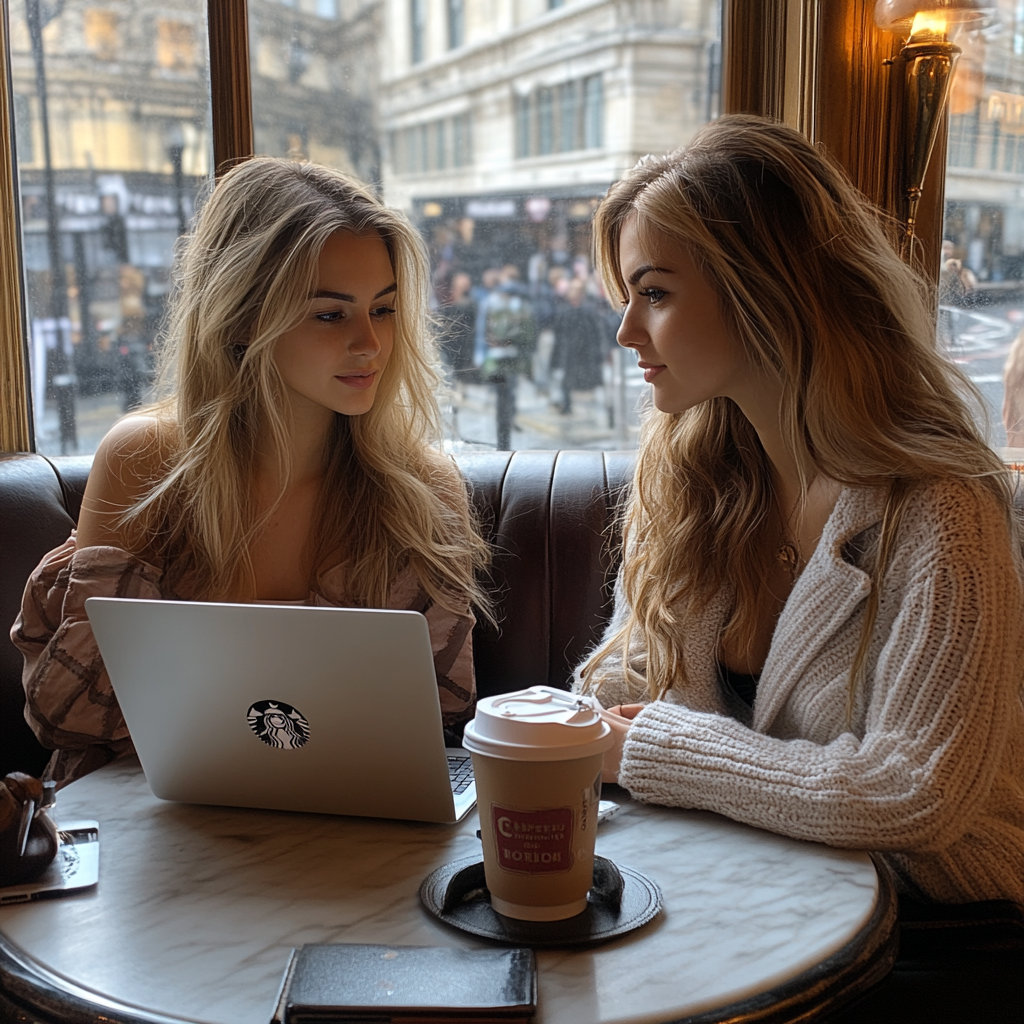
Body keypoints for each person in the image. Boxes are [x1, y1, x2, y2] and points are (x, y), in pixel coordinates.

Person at [574, 115, 1024, 907]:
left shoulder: (943, 508)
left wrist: (652, 747)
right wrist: (558, 729)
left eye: (654, 293)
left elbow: (912, 791)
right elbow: (633, 683)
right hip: (747, 886)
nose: (624, 331)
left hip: (935, 925)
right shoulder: (689, 478)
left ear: (767, 290)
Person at [13, 157, 490, 787]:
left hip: (348, 822)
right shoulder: (146, 460)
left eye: (383, 309)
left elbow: (440, 716)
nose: (370, 344)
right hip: (148, 821)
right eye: (329, 313)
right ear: (240, 318)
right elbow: (70, 714)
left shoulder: (420, 489)